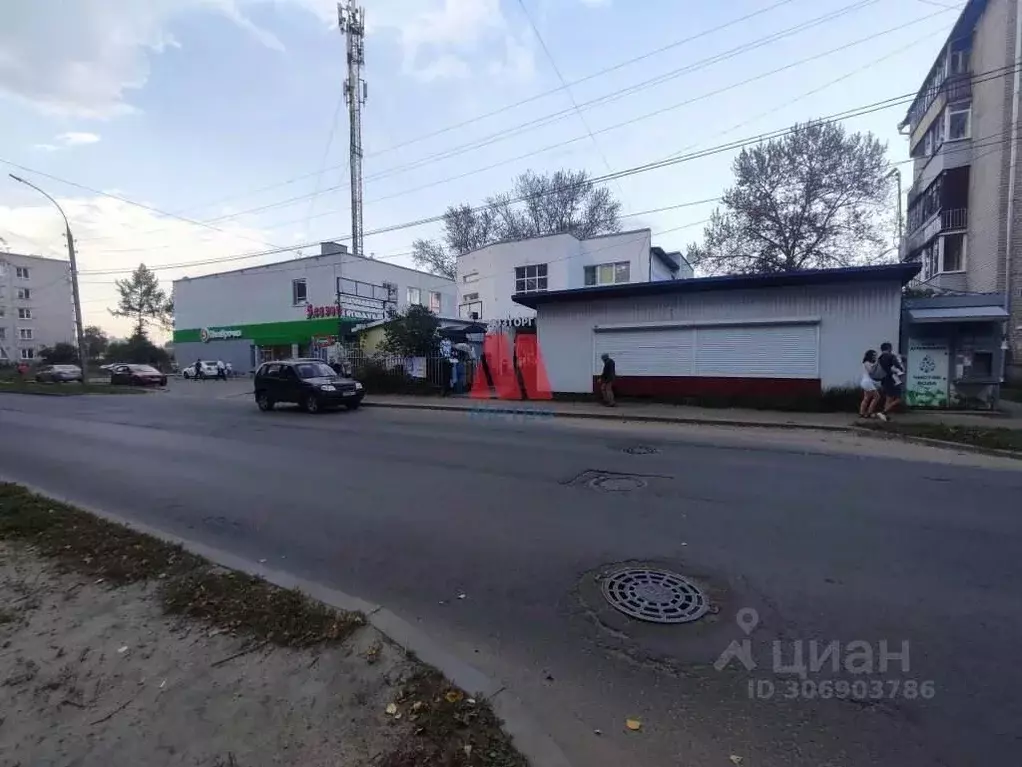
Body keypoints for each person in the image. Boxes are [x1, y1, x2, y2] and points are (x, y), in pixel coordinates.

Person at [875, 342, 905, 421]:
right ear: (888, 348)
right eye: (891, 348)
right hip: (892, 380)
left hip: (884, 380)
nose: (892, 349)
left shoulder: (880, 358)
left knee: (889, 398)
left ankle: (885, 417)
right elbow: (898, 366)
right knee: (899, 399)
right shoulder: (891, 356)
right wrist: (901, 368)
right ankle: (883, 412)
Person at [859, 349, 881, 419]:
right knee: (877, 397)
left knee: (866, 398)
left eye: (876, 355)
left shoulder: (870, 363)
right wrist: (876, 363)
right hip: (867, 382)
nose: (875, 357)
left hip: (867, 382)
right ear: (870, 355)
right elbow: (870, 371)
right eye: (874, 355)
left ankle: (862, 412)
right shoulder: (866, 363)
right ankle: (869, 412)